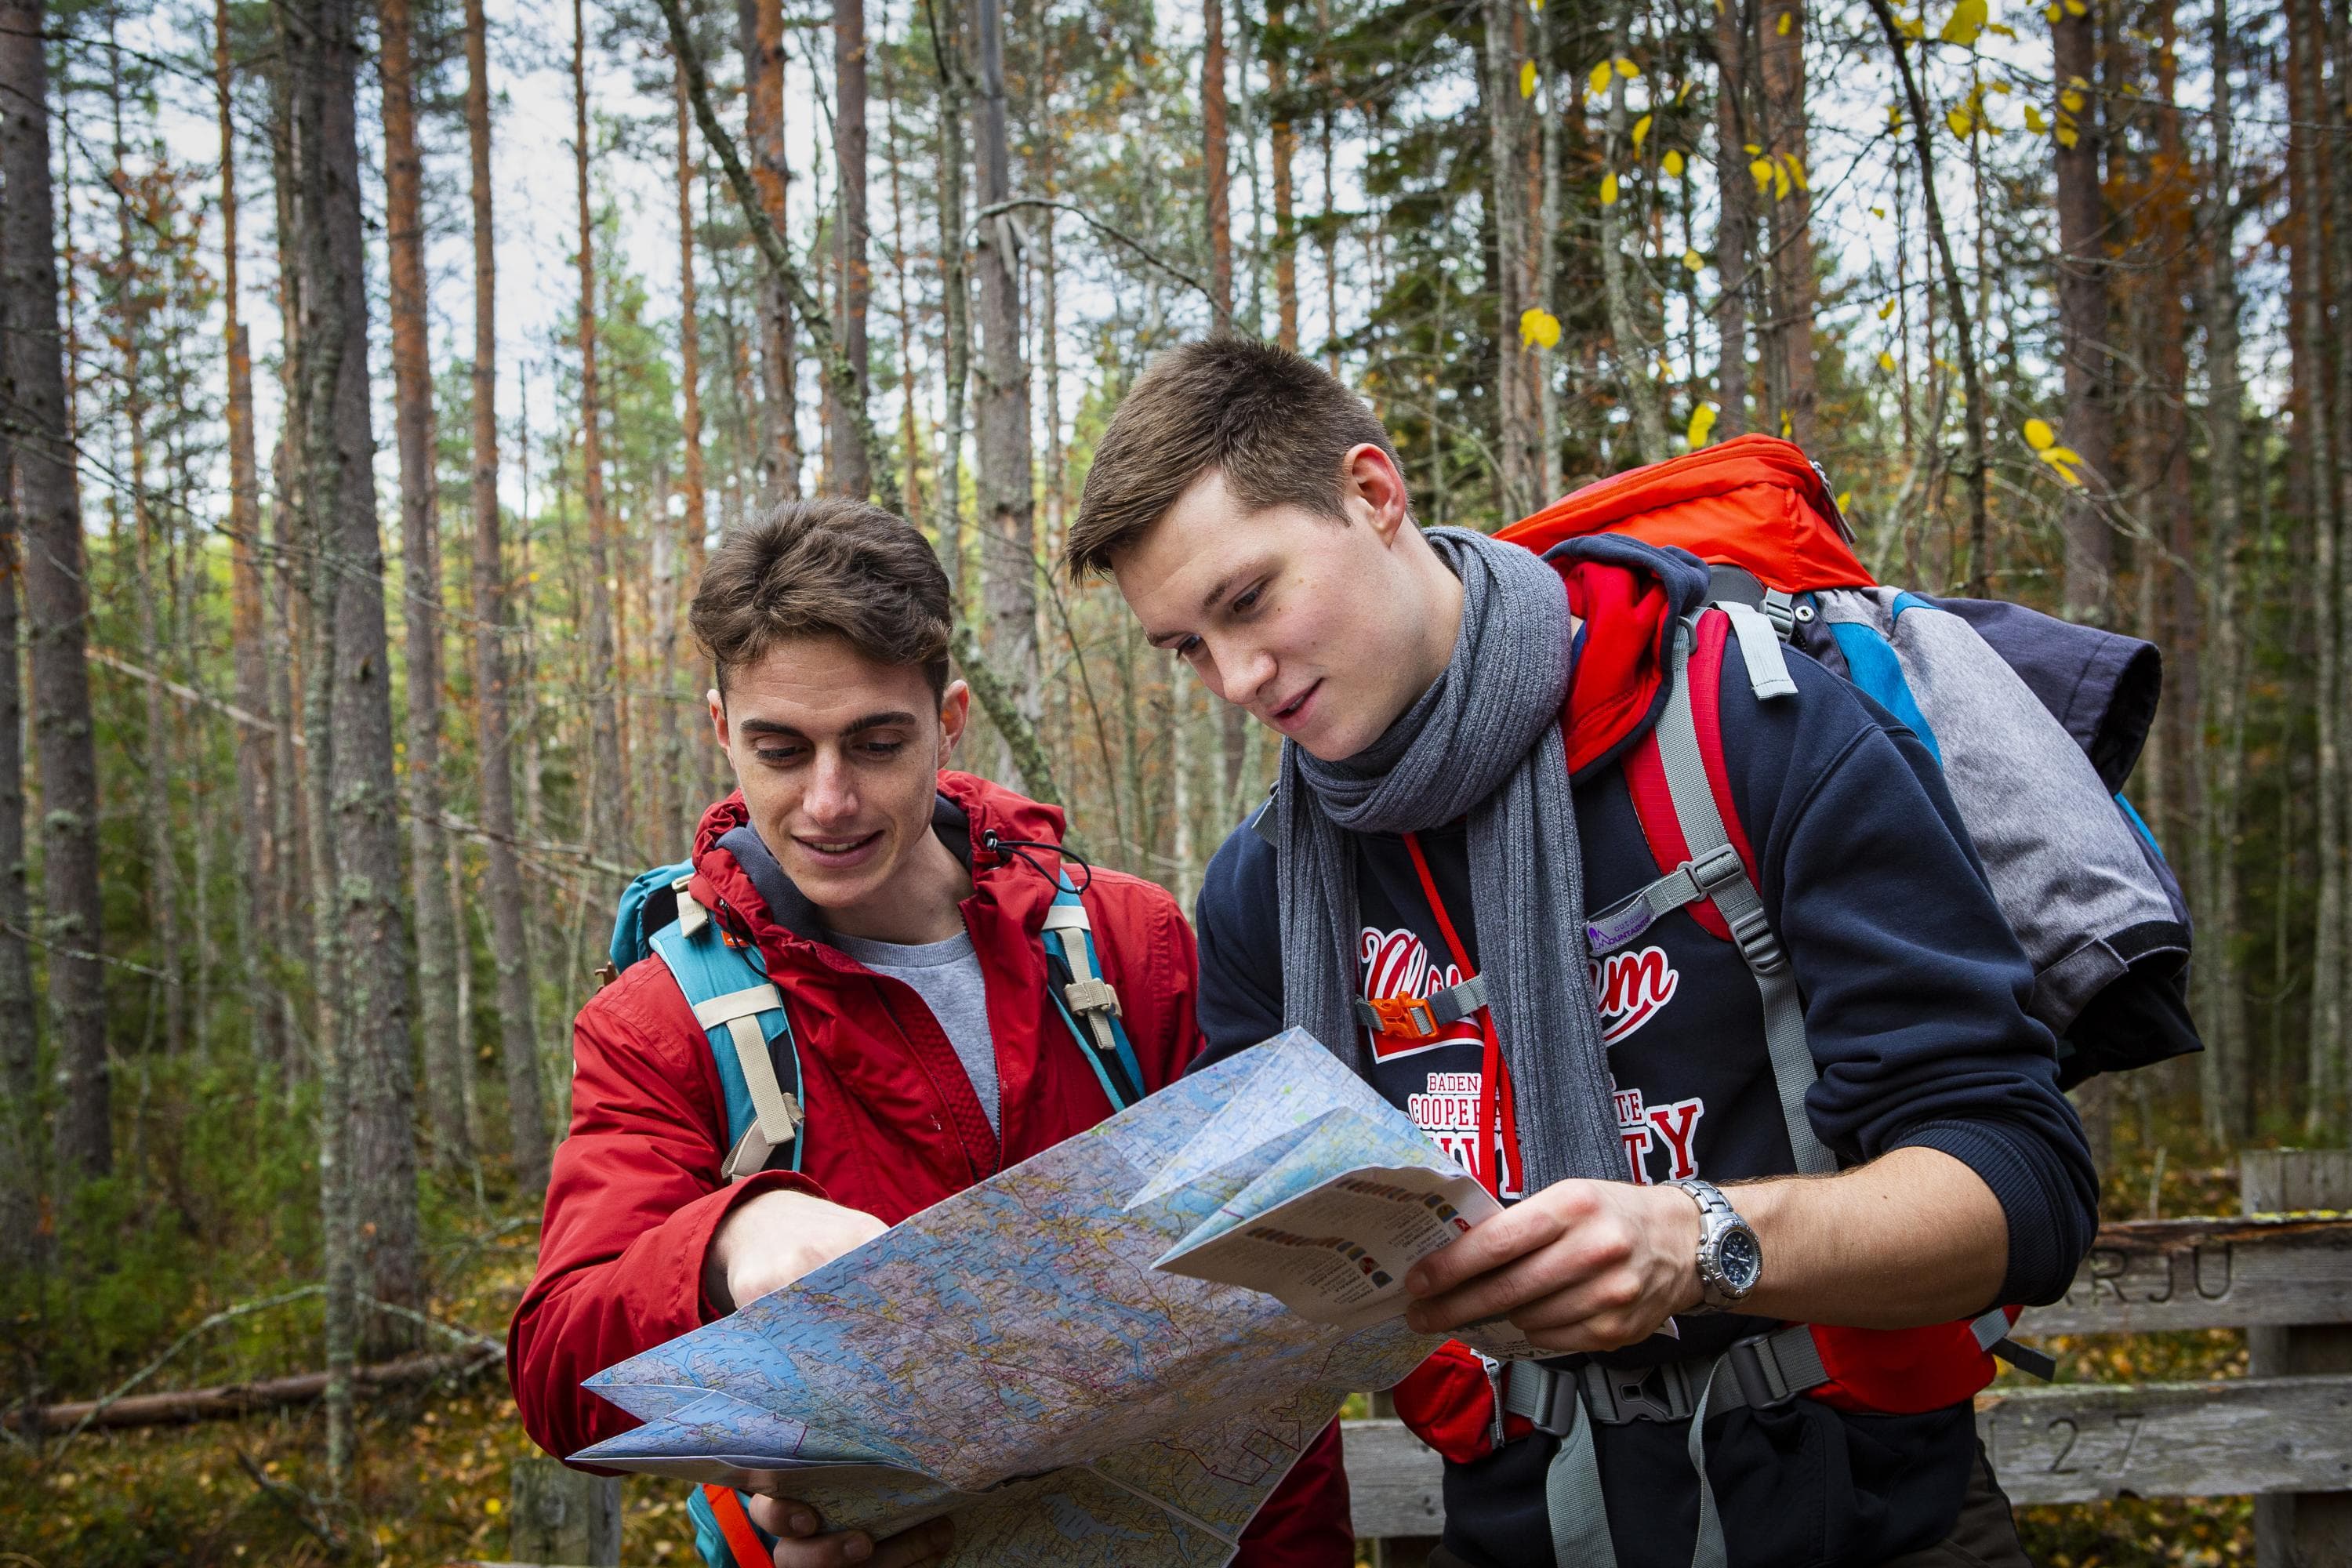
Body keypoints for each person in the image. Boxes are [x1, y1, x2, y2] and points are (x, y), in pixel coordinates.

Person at [1061, 338, 2100, 1568]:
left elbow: (2024, 1183)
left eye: (1248, 602)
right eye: (1185, 646)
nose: (1236, 678)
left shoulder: (1747, 734)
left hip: (1869, 1506)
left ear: (1374, 495)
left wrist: (1696, 1240)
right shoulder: (1265, 892)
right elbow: (1271, 1281)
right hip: (1517, 1515)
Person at [510, 499, 1352, 1568]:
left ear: (948, 721)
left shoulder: (1128, 951)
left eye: (875, 744)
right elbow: (557, 1380)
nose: (827, 800)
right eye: (780, 749)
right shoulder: (662, 1023)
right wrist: (726, 1246)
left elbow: (1266, 1353)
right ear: (722, 729)